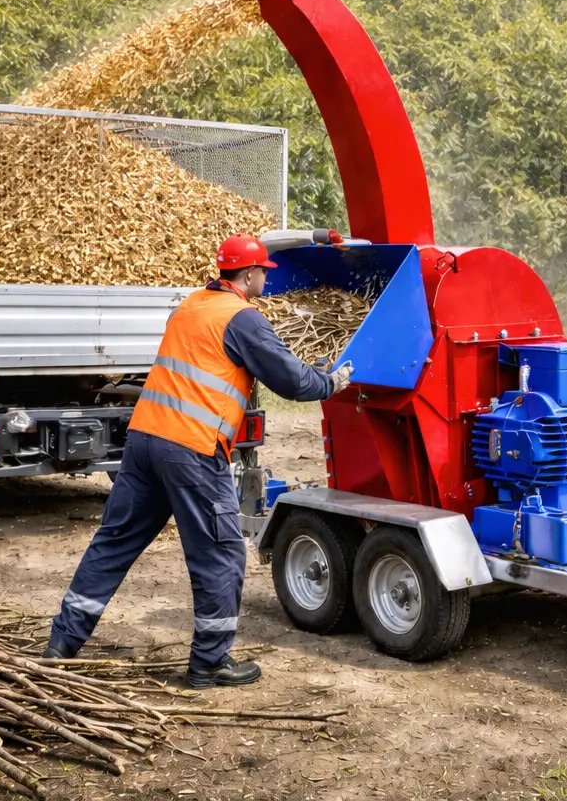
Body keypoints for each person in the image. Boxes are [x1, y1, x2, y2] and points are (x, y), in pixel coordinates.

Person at [46, 234, 352, 687]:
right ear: (248, 275)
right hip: (190, 449)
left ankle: (61, 645)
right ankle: (209, 662)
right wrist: (331, 382)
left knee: (114, 543)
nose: (267, 277)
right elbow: (292, 382)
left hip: (145, 438)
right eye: (263, 271)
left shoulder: (190, 304)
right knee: (221, 551)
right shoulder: (244, 319)